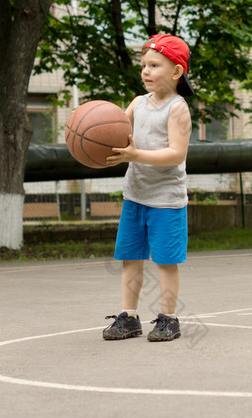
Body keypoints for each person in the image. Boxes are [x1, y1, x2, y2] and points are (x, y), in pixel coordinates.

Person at [101, 33, 194, 342]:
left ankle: (169, 319)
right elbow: (114, 130)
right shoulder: (138, 103)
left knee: (166, 262)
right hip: (135, 196)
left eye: (154, 65)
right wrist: (90, 138)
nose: (145, 71)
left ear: (176, 72)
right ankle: (129, 317)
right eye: (144, 65)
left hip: (166, 200)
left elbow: (176, 154)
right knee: (130, 258)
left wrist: (134, 154)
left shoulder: (177, 109)